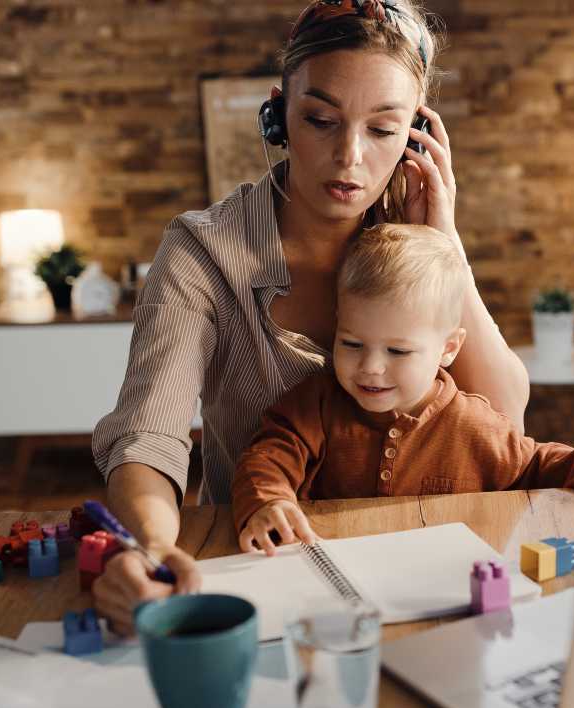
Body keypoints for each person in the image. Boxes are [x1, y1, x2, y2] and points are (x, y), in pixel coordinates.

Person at [90, 0, 531, 635]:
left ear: (415, 136)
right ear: (279, 115)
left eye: (382, 130)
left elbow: (505, 413)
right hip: (261, 568)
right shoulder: (202, 250)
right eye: (320, 119)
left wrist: (445, 241)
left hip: (423, 568)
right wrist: (155, 547)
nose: (349, 156)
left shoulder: (415, 239)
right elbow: (149, 434)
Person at [235, 223, 574, 554]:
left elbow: (541, 465)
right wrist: (268, 502)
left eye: (398, 350)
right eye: (351, 343)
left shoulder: (475, 426)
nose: (370, 367)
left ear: (448, 348)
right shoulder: (316, 404)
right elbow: (266, 458)